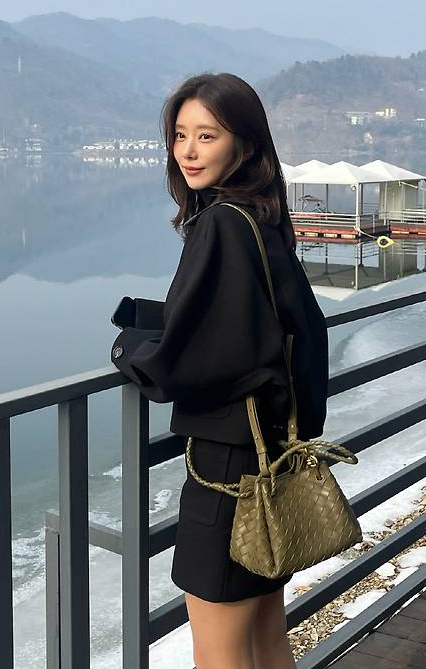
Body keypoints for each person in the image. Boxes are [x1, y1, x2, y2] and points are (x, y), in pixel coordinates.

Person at [110, 73, 329, 669]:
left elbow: (190, 362)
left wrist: (130, 351)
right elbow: (278, 327)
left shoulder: (219, 225)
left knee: (219, 653)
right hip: (273, 457)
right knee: (267, 640)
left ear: (246, 144)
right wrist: (164, 318)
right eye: (180, 135)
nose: (188, 151)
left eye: (207, 136)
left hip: (227, 473)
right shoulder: (261, 219)